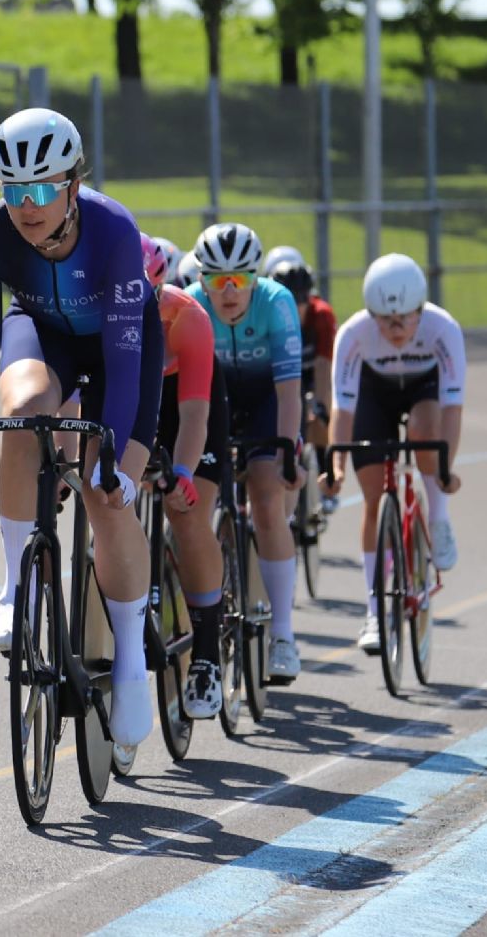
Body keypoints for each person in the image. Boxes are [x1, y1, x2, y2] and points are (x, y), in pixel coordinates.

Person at [0, 107, 164, 749]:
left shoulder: (115, 230)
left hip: (122, 348)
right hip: (42, 332)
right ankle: (15, 589)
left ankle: (127, 661)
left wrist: (117, 461)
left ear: (72, 183)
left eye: (41, 189)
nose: (27, 205)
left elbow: (123, 363)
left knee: (105, 491)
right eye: (13, 190)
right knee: (24, 407)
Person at [323, 252, 465, 654]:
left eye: (405, 316)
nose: (396, 327)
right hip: (374, 394)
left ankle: (437, 518)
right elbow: (343, 409)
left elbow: (453, 408)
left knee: (425, 432)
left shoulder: (444, 330)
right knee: (372, 501)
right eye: (386, 319)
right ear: (371, 313)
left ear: (421, 310)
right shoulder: (352, 335)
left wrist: (444, 470)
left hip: (424, 389)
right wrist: (335, 467)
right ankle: (373, 612)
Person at [187, 222, 306, 682]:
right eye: (218, 281)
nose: (230, 291)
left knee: (267, 496)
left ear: (257, 278)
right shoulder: (193, 306)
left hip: (264, 402)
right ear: (202, 282)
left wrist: (289, 453)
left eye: (241, 280)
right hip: (212, 402)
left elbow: (290, 391)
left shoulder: (277, 304)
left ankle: (283, 636)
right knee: (195, 498)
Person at [141, 234, 230, 718]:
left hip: (187, 405)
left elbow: (195, 415)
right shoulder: (96, 317)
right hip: (138, 400)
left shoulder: (188, 317)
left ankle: (208, 657)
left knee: (188, 515)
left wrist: (181, 472)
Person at [268, 259, 337, 504]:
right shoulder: (267, 313)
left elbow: (323, 366)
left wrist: (320, 406)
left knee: (321, 413)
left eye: (300, 302)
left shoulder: (322, 316)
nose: (295, 309)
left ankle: (326, 473)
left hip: (311, 373)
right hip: (281, 374)